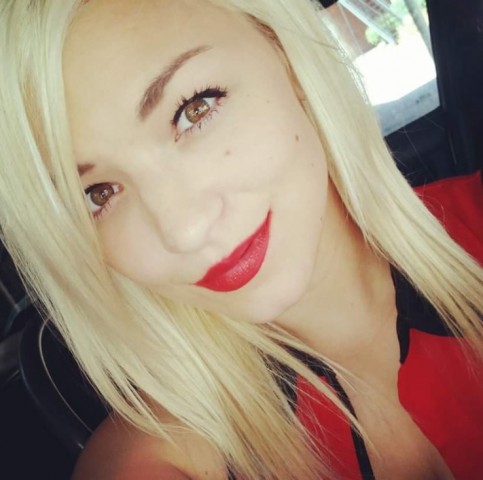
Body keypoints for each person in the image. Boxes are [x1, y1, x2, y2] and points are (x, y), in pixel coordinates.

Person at [0, 0, 481, 478]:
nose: (184, 231)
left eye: (193, 110)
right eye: (98, 194)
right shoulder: (159, 460)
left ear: (284, 55)